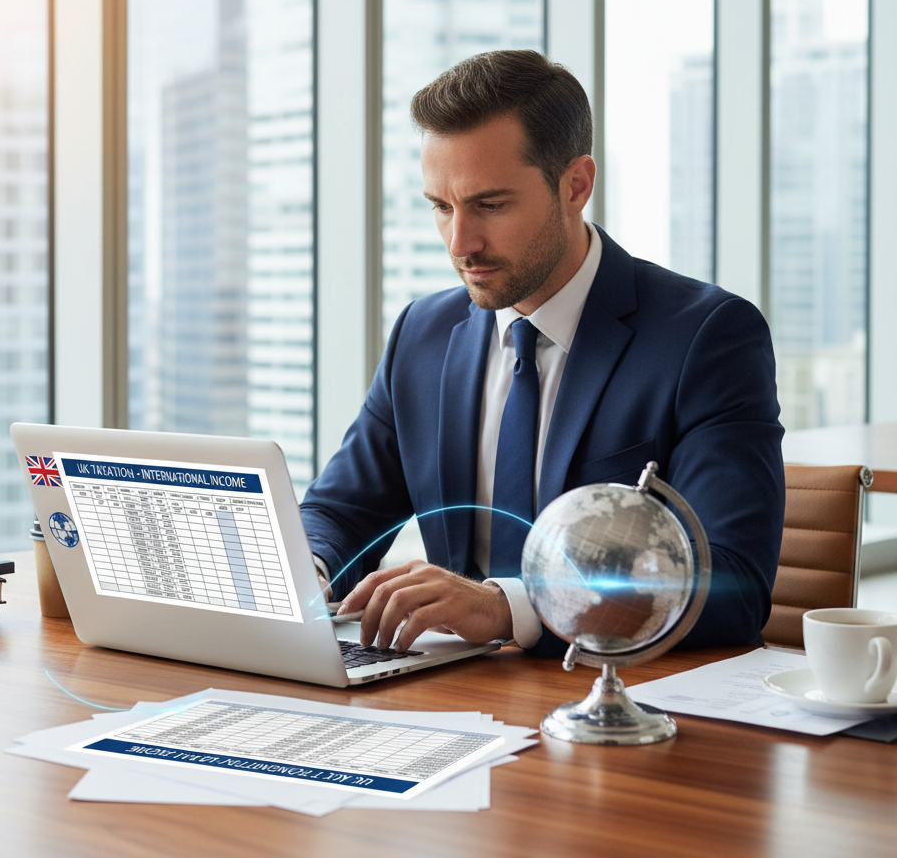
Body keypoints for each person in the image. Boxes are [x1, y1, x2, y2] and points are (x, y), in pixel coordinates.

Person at [301, 49, 785, 659]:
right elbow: (342, 510)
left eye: (490, 205)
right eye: (441, 207)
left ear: (576, 185)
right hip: (447, 698)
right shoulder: (421, 334)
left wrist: (509, 605)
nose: (461, 243)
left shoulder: (707, 337)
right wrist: (308, 570)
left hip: (615, 707)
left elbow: (732, 584)